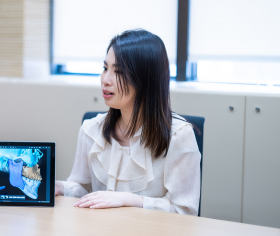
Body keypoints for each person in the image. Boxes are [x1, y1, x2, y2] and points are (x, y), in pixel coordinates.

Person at [55, 29, 200, 215]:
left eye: (119, 72)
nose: (105, 80)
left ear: (146, 80)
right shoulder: (91, 129)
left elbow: (184, 211)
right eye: (105, 68)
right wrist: (60, 187)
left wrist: (128, 199)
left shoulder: (180, 136)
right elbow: (85, 190)